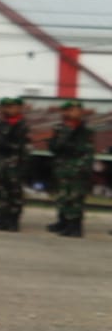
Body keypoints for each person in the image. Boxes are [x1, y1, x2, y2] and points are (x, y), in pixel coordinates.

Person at [47, 100, 92, 238]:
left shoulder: (84, 130)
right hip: (62, 168)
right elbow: (54, 148)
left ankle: (75, 227)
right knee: (63, 197)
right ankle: (64, 222)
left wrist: (84, 168)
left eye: (77, 110)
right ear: (64, 112)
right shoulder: (59, 128)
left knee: (76, 199)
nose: (74, 113)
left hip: (78, 168)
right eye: (71, 110)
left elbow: (86, 150)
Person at [0, 97, 29, 233]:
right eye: (4, 107)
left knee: (14, 194)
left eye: (11, 106)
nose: (6, 109)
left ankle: (13, 221)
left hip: (14, 165)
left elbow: (23, 148)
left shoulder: (22, 125)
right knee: (1, 192)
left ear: (19, 108)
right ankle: (2, 218)